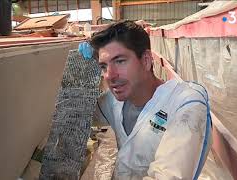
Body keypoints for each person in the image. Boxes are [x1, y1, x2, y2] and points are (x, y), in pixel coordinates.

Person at [78, 20, 212, 180]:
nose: (110, 75)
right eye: (104, 66)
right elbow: (80, 115)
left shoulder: (185, 103)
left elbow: (168, 176)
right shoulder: (115, 102)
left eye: (120, 61)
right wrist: (82, 71)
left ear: (146, 60)